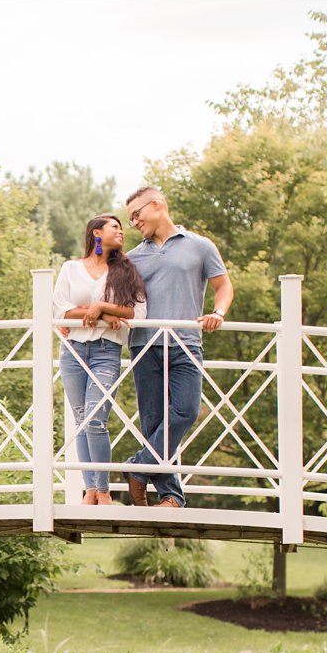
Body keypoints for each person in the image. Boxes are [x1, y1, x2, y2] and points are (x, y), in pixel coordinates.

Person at [121, 186, 233, 507]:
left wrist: (218, 313)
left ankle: (138, 468)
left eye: (137, 215)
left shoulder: (200, 246)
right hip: (144, 346)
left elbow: (223, 285)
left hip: (186, 343)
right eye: (130, 220)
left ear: (156, 205)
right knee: (155, 423)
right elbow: (116, 295)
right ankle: (171, 496)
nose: (134, 223)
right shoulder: (133, 257)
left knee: (185, 411)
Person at [52, 214, 146, 505]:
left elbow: (137, 313)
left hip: (106, 351)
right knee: (82, 420)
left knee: (95, 419)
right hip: (73, 351)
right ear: (96, 233)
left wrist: (101, 306)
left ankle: (103, 491)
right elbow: (60, 311)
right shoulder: (70, 268)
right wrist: (104, 314)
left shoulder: (126, 270)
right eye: (114, 227)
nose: (121, 232)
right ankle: (90, 489)